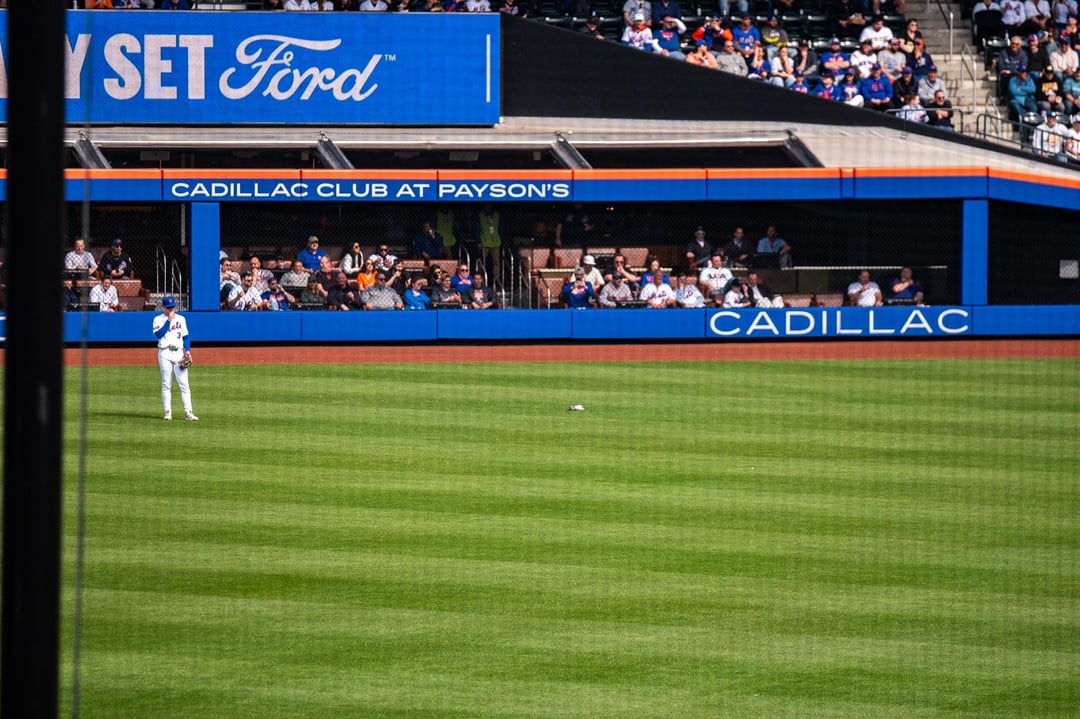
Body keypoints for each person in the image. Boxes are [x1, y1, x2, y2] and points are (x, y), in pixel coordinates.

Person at [152, 295, 197, 421]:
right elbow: (159, 334)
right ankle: (168, 412)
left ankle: (189, 412)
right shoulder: (158, 319)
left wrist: (187, 351)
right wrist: (169, 321)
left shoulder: (181, 319)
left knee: (184, 384)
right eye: (169, 308)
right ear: (163, 307)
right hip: (165, 352)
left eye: (173, 307)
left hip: (178, 353)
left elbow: (186, 337)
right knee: (166, 384)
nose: (171, 310)